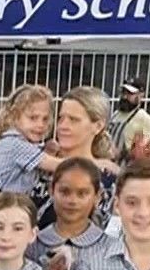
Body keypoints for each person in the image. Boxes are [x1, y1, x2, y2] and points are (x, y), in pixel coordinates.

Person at [51, 87, 119, 226]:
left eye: (73, 120)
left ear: (98, 126)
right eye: (61, 118)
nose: (63, 126)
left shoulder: (107, 177)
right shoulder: (37, 163)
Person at [0, 85, 59, 197]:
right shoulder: (14, 144)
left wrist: (48, 151)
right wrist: (87, 162)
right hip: (5, 203)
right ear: (14, 117)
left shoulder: (27, 145)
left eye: (45, 119)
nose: (40, 124)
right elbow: (60, 165)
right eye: (33, 118)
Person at [108, 77, 150, 160]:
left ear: (141, 95)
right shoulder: (115, 114)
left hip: (127, 166)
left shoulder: (145, 120)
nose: (124, 97)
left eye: (130, 93)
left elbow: (148, 149)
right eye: (123, 92)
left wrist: (122, 154)